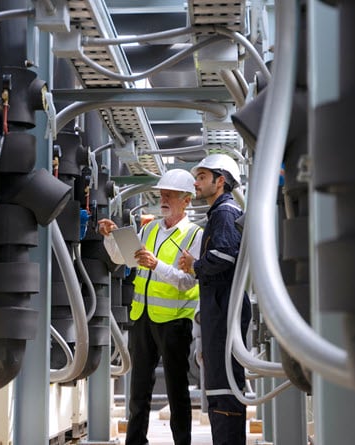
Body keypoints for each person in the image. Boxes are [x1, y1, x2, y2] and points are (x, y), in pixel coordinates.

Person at [98, 169, 203, 445]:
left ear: (187, 200)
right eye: (162, 193)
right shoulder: (150, 228)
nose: (164, 198)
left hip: (174, 321)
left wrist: (156, 264)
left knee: (176, 389)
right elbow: (125, 259)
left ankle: (182, 442)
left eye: (171, 194)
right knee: (138, 388)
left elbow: (186, 282)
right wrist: (110, 237)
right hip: (142, 317)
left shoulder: (194, 235)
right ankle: (135, 441)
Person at [179, 154, 251, 445]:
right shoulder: (219, 213)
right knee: (219, 385)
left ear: (220, 181)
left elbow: (223, 255)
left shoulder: (224, 212)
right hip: (219, 306)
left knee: (225, 386)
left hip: (224, 307)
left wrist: (195, 265)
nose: (195, 183)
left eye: (202, 177)